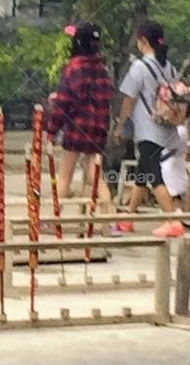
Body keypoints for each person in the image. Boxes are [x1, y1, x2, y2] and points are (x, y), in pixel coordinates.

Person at [44, 23, 122, 233]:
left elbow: (65, 102)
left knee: (64, 175)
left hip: (77, 128)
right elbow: (106, 100)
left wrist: (51, 130)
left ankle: (54, 217)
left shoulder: (74, 67)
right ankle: (111, 218)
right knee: (94, 174)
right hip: (98, 128)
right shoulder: (102, 69)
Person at [113, 20, 185, 238]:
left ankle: (172, 220)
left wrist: (119, 126)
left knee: (153, 176)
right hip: (168, 128)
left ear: (143, 40)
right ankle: (128, 219)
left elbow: (129, 99)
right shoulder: (169, 66)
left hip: (148, 131)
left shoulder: (139, 67)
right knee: (143, 174)